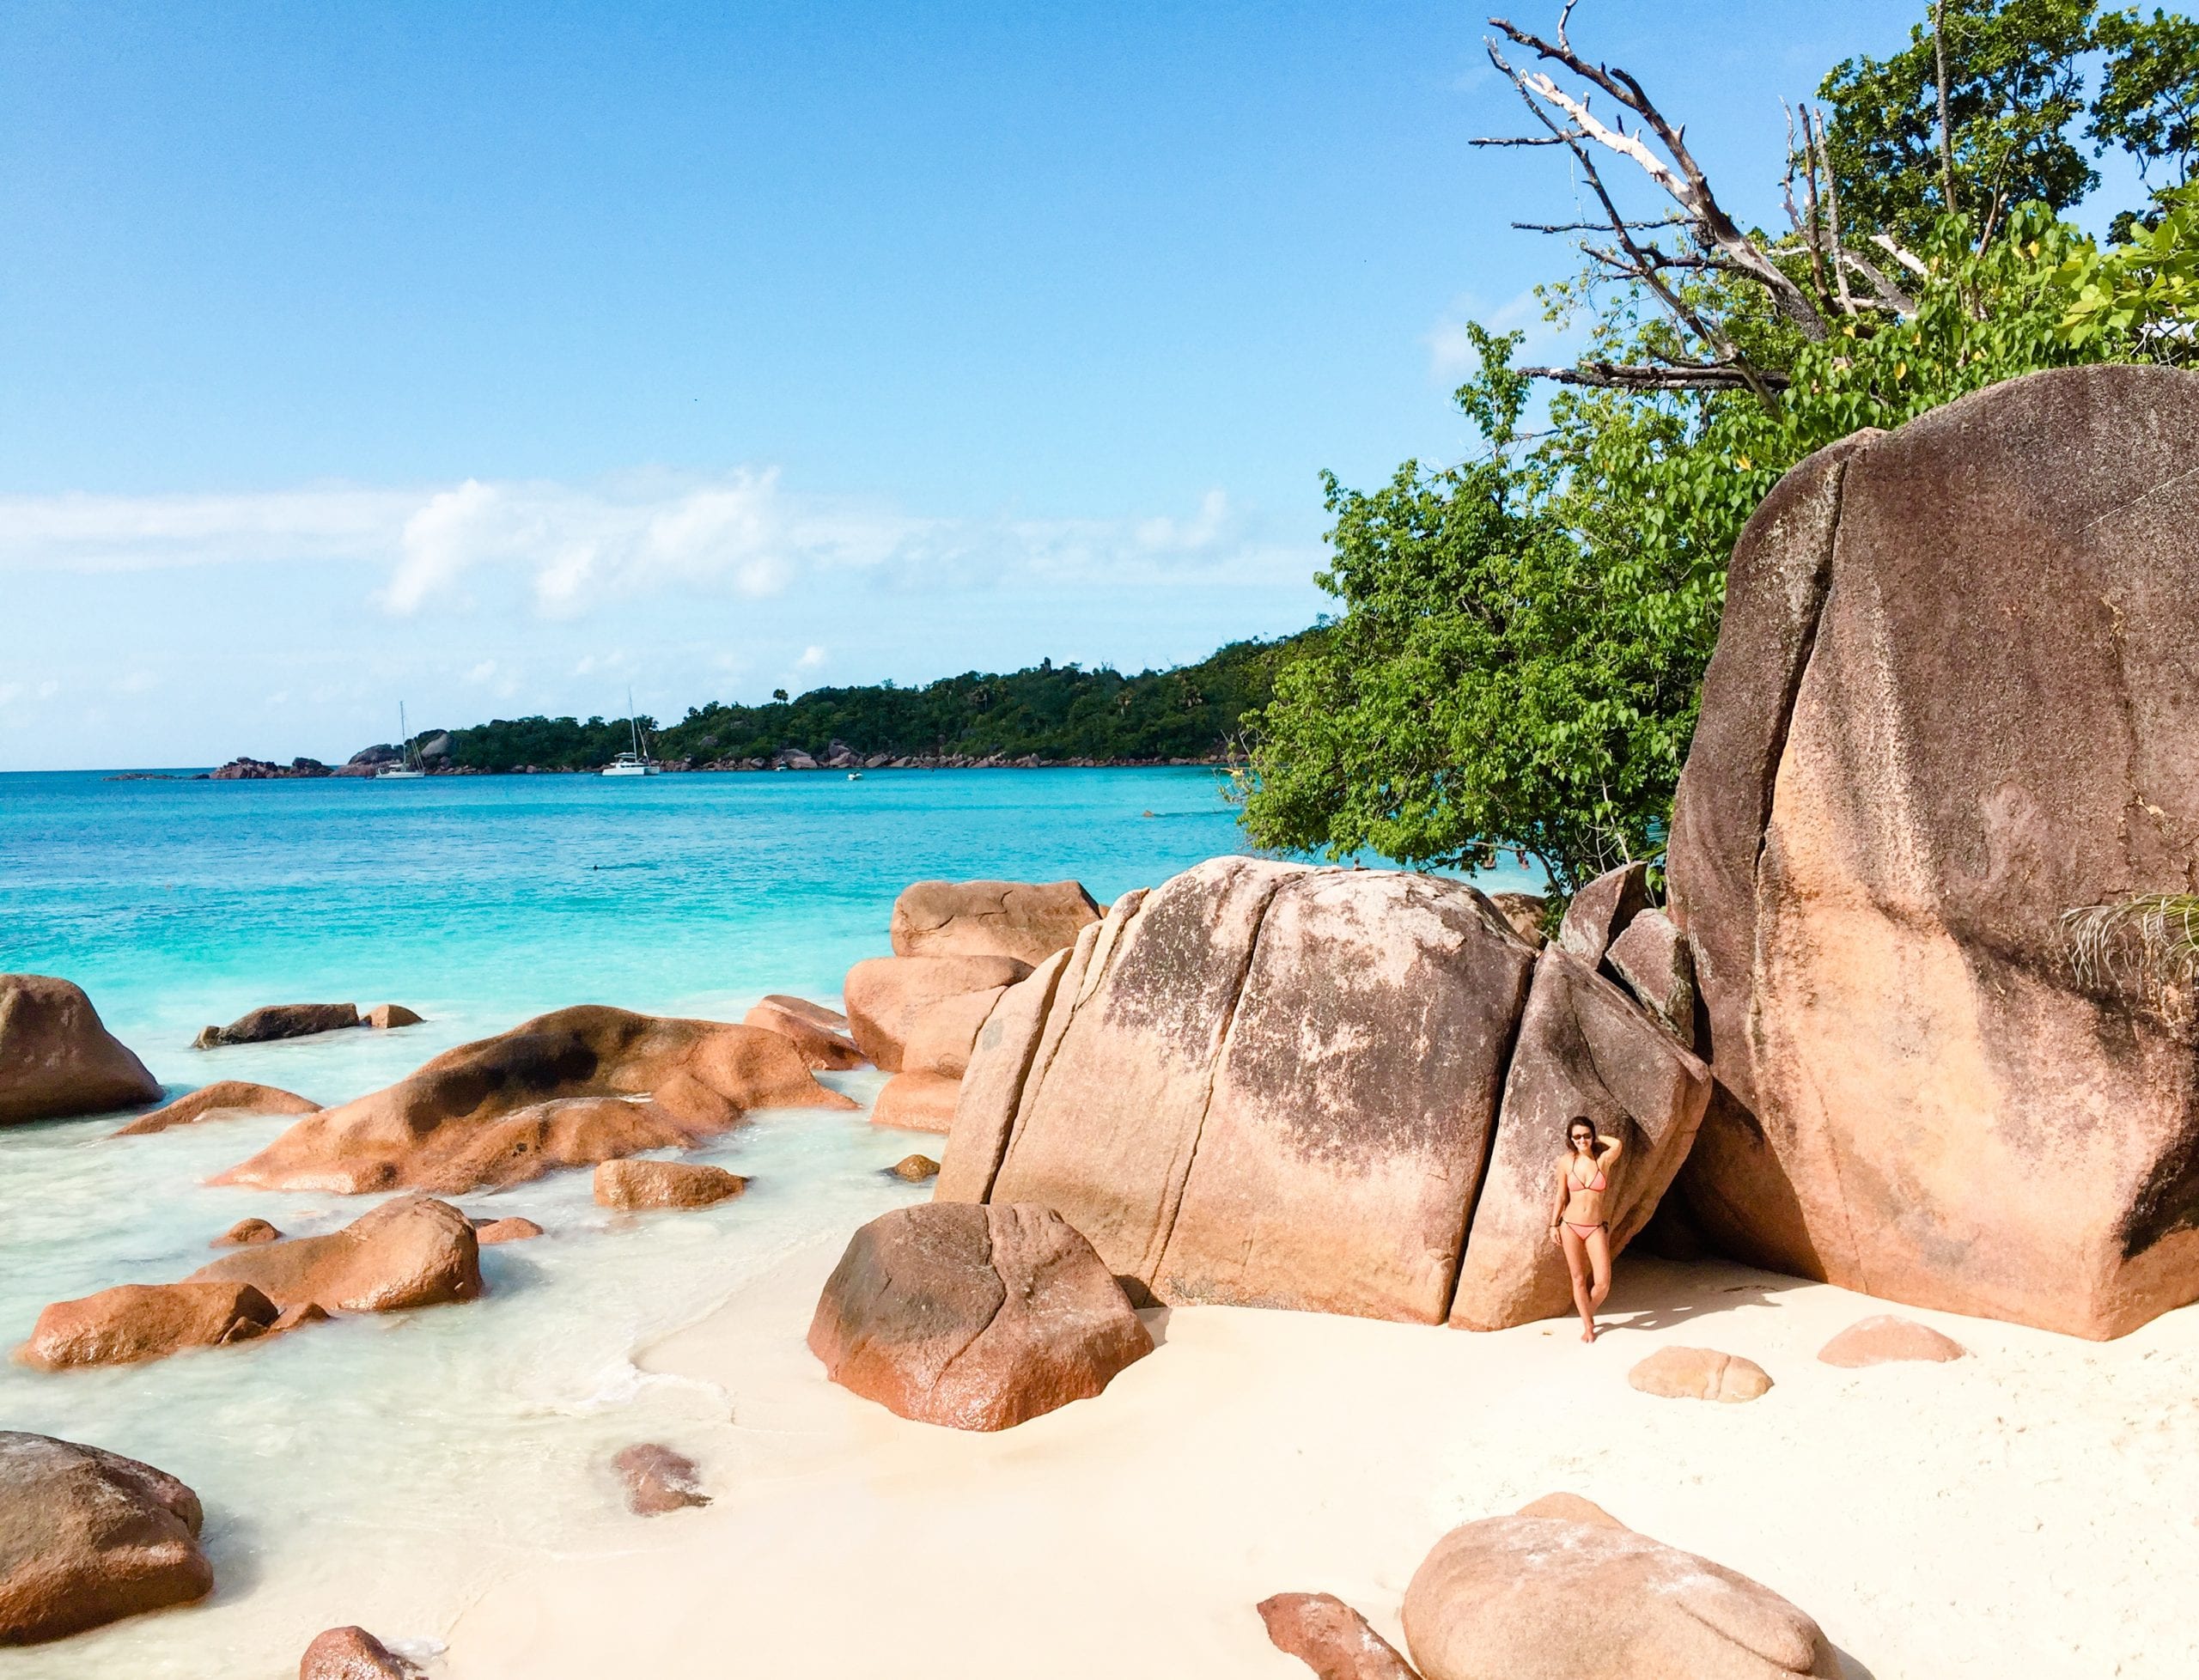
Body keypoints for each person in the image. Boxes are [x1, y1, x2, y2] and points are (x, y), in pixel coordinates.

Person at [1548, 1116, 1624, 1342]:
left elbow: (1618, 1144)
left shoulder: (1603, 1162)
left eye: (1586, 1135)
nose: (1582, 1140)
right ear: (1570, 1139)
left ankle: (1587, 1312)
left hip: (1595, 1227)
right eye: (1577, 1136)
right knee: (1578, 1278)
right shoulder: (1566, 1161)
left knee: (1602, 1282)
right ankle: (1588, 1326)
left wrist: (1595, 1137)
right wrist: (1553, 1224)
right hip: (1569, 1226)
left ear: (1592, 1135)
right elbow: (1561, 1195)